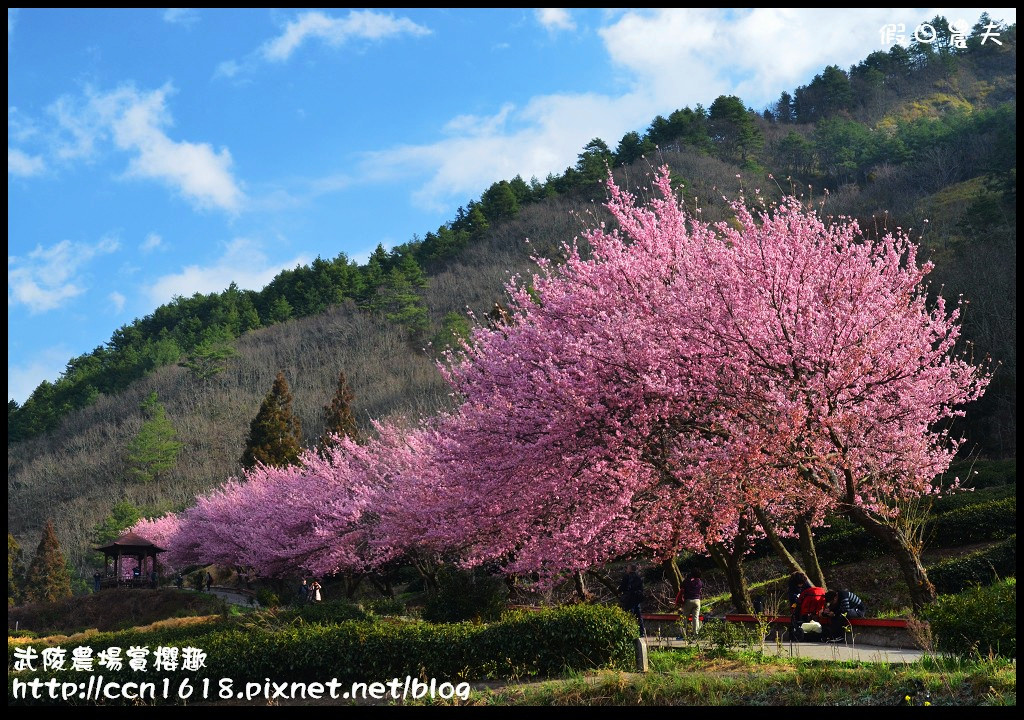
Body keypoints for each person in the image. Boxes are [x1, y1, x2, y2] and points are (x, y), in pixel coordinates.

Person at [618, 563, 646, 638]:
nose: (626, 569)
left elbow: (622, 587)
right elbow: (641, 588)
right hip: (637, 599)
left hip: (629, 599)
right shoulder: (638, 577)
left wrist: (620, 592)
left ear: (630, 569)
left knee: (629, 614)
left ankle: (628, 631)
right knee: (638, 615)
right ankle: (641, 632)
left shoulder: (627, 577)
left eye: (627, 568)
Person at [674, 568, 704, 634]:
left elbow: (681, 586)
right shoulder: (700, 582)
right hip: (697, 601)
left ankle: (683, 633)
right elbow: (701, 588)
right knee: (695, 618)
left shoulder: (687, 581)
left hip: (688, 600)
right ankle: (696, 633)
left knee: (685, 617)